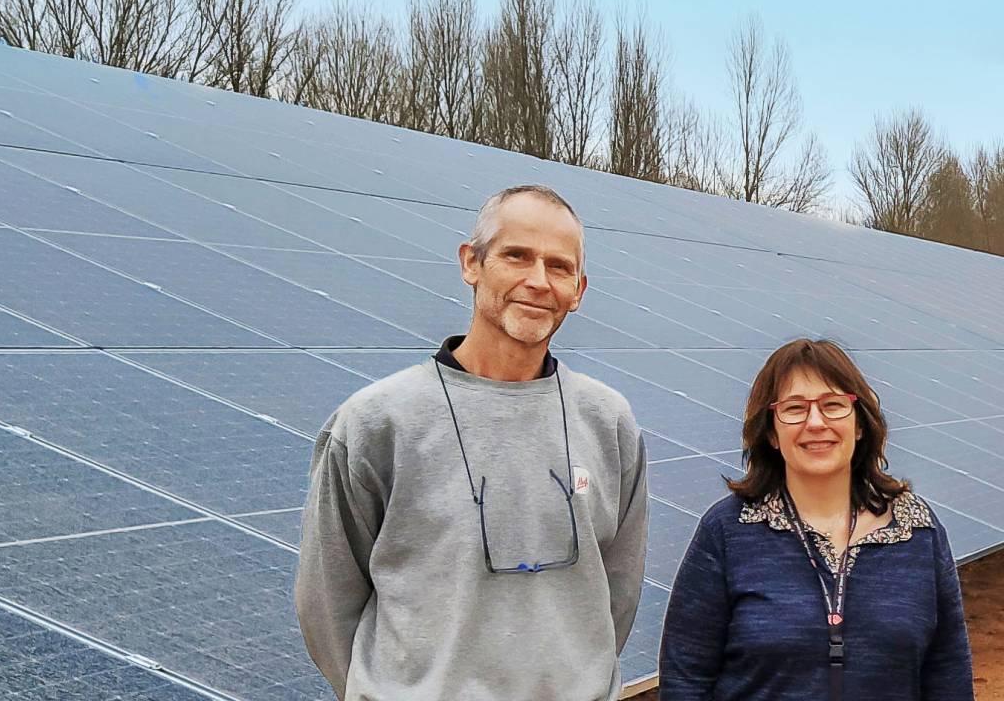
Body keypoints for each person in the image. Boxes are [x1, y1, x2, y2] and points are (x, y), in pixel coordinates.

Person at [295, 185, 649, 701]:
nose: (537, 280)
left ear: (579, 288)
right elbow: (327, 603)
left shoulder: (609, 422)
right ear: (471, 263)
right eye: (516, 256)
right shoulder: (376, 423)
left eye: (558, 266)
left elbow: (618, 592)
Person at [659, 338, 974, 700]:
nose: (815, 422)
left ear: (859, 425)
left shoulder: (917, 530)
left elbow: (948, 671)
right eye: (794, 408)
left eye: (833, 405)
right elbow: (686, 676)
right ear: (772, 433)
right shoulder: (727, 531)